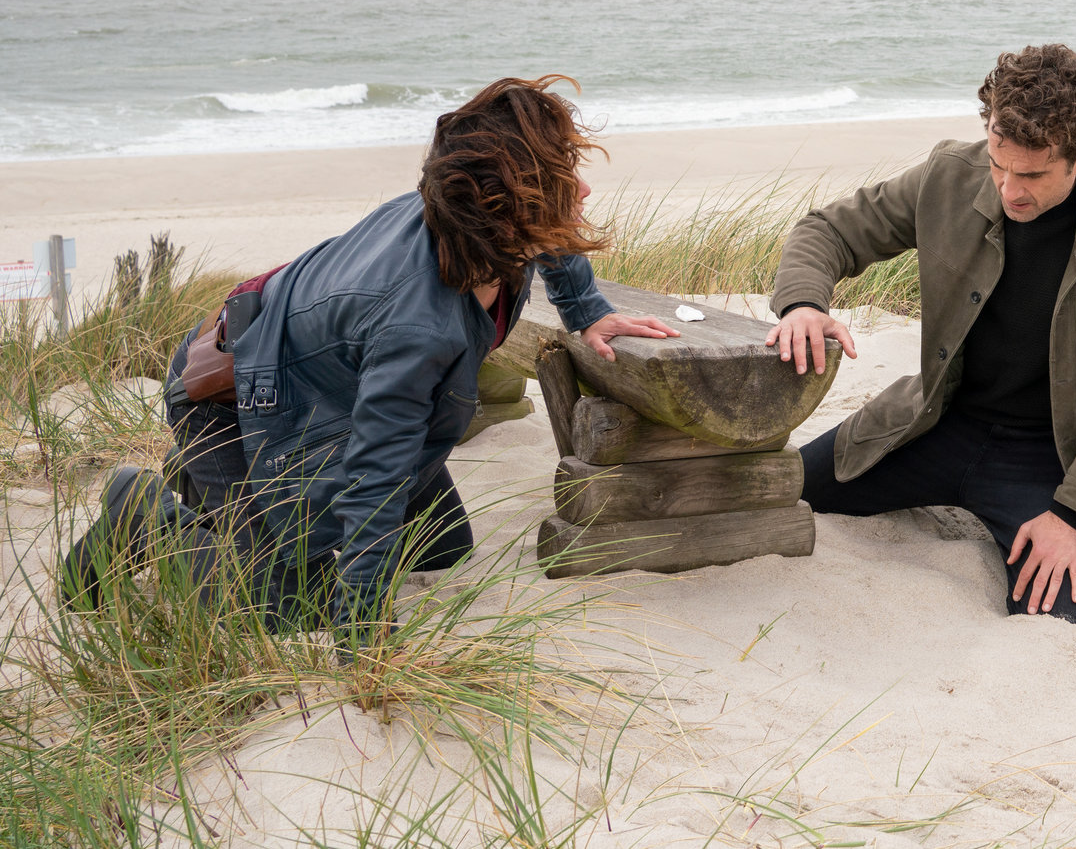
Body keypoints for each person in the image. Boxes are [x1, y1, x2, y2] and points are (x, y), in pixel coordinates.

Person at [60, 75, 678, 635]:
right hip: (237, 397)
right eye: (559, 180)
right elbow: (376, 476)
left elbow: (554, 234)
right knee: (281, 609)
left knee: (440, 547)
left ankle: (207, 483)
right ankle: (144, 511)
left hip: (328, 383)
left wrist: (587, 312)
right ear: (503, 211)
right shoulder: (417, 323)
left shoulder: (480, 224)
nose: (585, 189)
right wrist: (363, 633)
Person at [767, 44, 1076, 627]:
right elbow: (829, 231)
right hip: (936, 423)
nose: (1008, 188)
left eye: (1033, 174)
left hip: (1057, 458)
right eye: (998, 161)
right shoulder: (948, 173)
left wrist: (1072, 515)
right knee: (774, 493)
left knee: (1063, 618)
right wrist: (804, 305)